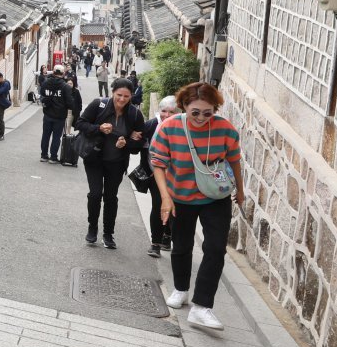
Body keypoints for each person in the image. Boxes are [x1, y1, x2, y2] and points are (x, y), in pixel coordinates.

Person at [150, 81, 245, 331]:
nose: (201, 118)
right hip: (180, 196)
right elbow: (157, 164)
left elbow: (234, 161)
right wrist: (166, 198)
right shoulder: (169, 128)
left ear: (215, 109)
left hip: (215, 197)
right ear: (184, 106)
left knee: (215, 248)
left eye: (208, 112)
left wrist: (241, 191)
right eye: (195, 112)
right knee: (182, 247)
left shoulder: (224, 129)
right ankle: (181, 289)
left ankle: (202, 307)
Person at [75, 78, 145, 249]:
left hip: (117, 162)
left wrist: (126, 143)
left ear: (131, 96)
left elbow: (138, 145)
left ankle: (108, 234)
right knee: (95, 194)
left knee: (111, 197)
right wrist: (98, 128)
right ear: (113, 92)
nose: (122, 99)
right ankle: (92, 228)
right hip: (94, 159)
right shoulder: (98, 105)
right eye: (119, 95)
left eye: (126, 96)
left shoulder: (135, 115)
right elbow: (79, 123)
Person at [141, 96, 178, 257]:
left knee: (174, 209)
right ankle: (155, 243)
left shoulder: (184, 128)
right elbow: (139, 145)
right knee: (158, 206)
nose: (167, 115)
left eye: (172, 112)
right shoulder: (151, 125)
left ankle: (167, 236)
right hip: (156, 174)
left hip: (177, 177)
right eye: (164, 111)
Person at [39, 65, 75, 163]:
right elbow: (70, 103)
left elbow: (42, 93)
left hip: (47, 114)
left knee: (45, 135)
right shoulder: (65, 86)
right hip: (59, 116)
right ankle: (53, 157)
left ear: (53, 72)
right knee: (56, 137)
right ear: (63, 73)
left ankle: (44, 155)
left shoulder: (46, 83)